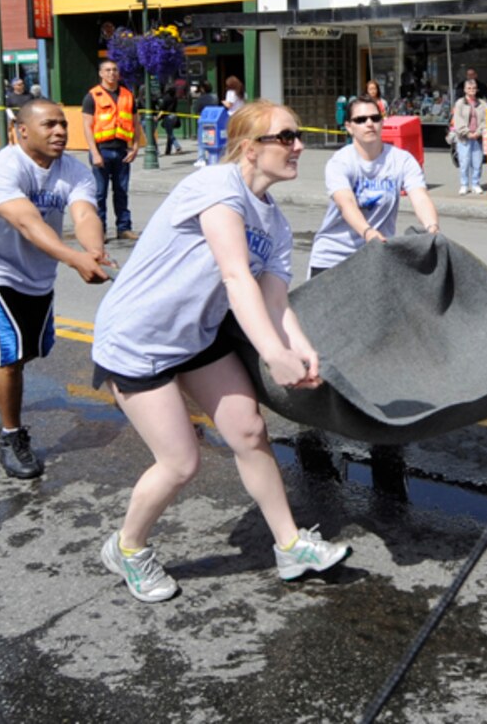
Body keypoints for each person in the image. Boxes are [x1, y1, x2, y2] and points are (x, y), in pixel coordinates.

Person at [90, 101, 347, 603]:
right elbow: (234, 274)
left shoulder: (274, 223)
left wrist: (302, 348)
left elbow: (274, 298)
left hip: (195, 338)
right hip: (138, 341)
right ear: (250, 148)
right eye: (287, 136)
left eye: (297, 135)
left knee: (249, 431)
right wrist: (271, 353)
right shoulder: (215, 186)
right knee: (181, 463)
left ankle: (291, 544)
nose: (299, 146)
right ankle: (128, 548)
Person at [0, 99, 112, 480]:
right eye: (49, 125)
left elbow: (85, 213)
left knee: (33, 349)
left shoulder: (73, 170)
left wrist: (92, 250)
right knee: (11, 351)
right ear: (21, 131)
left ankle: (1, 372)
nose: (60, 131)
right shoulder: (0, 170)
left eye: (63, 124)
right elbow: (27, 223)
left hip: (36, 269)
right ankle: (12, 437)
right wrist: (73, 259)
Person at [307, 96, 439, 281]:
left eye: (375, 118)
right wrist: (367, 232)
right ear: (349, 127)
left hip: (376, 254)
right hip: (334, 258)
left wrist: (432, 227)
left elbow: (420, 196)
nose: (369, 123)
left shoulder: (402, 160)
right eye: (360, 120)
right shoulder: (341, 161)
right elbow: (346, 203)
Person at [82, 59, 140, 243]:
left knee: (121, 191)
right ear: (101, 74)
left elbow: (136, 124)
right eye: (107, 70)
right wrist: (95, 152)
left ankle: (124, 228)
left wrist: (136, 146)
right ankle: (100, 230)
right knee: (100, 192)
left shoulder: (127, 95)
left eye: (114, 70)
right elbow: (87, 126)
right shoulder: (93, 96)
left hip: (122, 150)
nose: (111, 73)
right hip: (102, 149)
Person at [449, 77, 487, 195]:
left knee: (477, 162)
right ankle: (464, 185)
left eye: (474, 88)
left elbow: (486, 120)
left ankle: (476, 184)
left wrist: (478, 132)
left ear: (477, 89)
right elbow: (458, 120)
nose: (472, 90)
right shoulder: (460, 103)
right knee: (464, 162)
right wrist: (467, 133)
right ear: (465, 90)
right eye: (469, 88)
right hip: (464, 138)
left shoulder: (482, 104)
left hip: (477, 137)